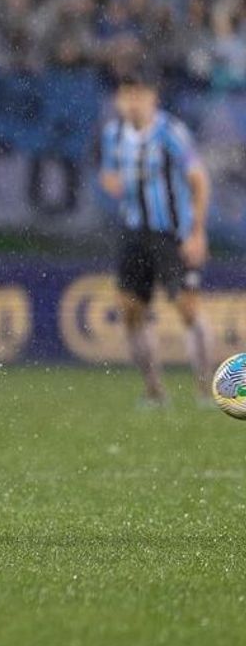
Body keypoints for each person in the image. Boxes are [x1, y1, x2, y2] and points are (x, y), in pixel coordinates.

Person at [99, 69, 213, 406]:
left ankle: (206, 389)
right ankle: (153, 390)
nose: (133, 103)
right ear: (119, 100)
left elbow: (199, 179)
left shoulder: (170, 133)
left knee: (187, 308)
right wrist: (110, 181)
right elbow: (108, 171)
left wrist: (197, 232)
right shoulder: (113, 134)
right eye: (127, 95)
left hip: (172, 233)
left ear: (153, 98)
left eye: (140, 95)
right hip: (134, 232)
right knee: (130, 309)